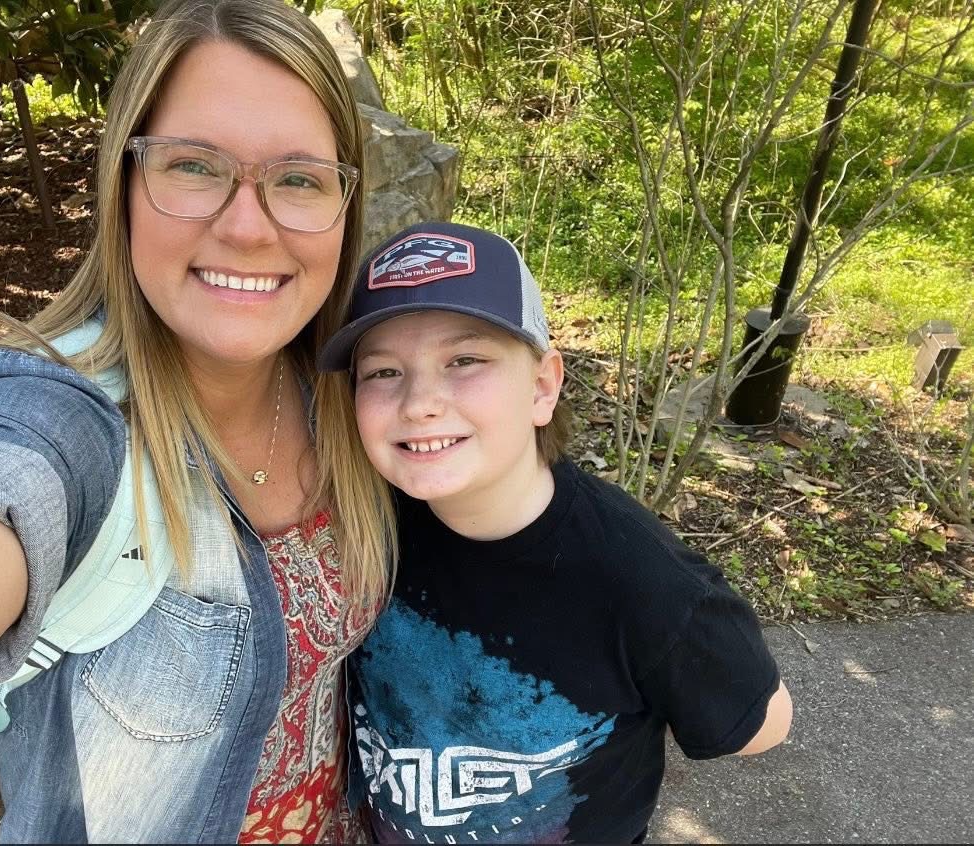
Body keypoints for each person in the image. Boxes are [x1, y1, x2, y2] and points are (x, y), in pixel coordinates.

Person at [0, 0, 397, 841]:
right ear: (122, 186)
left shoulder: (349, 395)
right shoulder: (62, 421)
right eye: (194, 166)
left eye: (299, 179)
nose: (247, 226)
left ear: (345, 204)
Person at [317, 221, 794, 844]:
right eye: (383, 372)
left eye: (465, 361)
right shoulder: (368, 519)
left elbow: (763, 723)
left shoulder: (640, 579)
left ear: (543, 386)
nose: (419, 402)